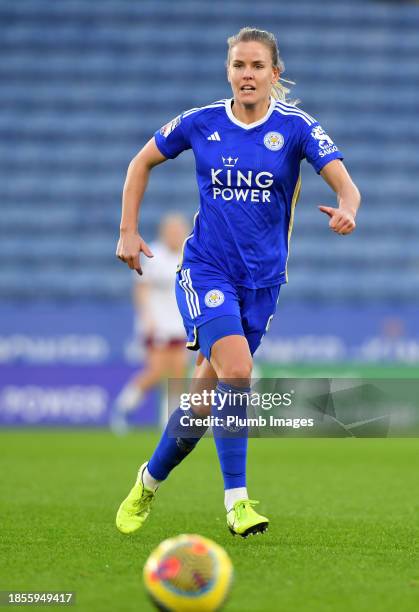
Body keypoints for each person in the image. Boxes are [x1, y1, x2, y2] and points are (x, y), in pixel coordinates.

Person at [115, 27, 360, 538]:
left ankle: (148, 481)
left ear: (275, 73)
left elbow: (344, 181)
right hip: (206, 269)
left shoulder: (295, 127)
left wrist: (348, 210)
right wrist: (128, 230)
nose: (247, 75)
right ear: (229, 71)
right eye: (239, 66)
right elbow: (141, 162)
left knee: (206, 395)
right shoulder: (201, 122)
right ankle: (238, 502)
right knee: (239, 371)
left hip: (264, 281)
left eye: (256, 67)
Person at [110, 214, 190, 434]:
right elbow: (141, 289)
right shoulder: (154, 255)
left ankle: (170, 422)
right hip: (158, 325)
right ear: (164, 233)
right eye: (172, 231)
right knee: (155, 371)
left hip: (180, 325)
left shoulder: (188, 254)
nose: (176, 235)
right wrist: (147, 318)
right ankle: (123, 407)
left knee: (178, 374)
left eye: (179, 231)